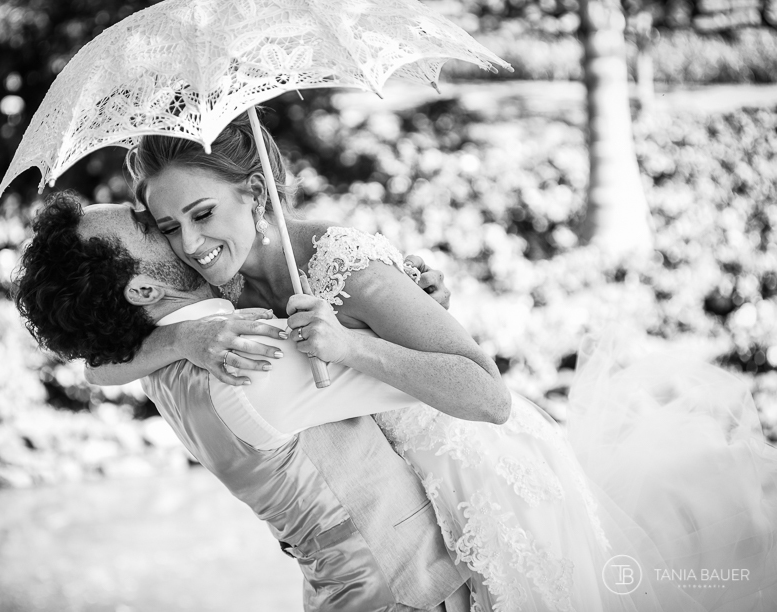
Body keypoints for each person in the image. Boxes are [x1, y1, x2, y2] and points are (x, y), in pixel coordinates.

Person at [81, 115, 777, 611]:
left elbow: (487, 395)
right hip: (409, 518)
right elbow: (95, 364)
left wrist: (355, 345)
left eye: (202, 214)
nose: (191, 244)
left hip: (485, 482)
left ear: (254, 194)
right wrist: (180, 342)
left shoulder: (343, 263)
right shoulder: (217, 286)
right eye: (169, 227)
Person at [16, 193, 479, 612]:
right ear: (142, 291)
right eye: (148, 226)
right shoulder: (249, 357)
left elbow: (97, 368)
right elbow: (444, 381)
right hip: (405, 590)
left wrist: (178, 336)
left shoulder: (158, 364)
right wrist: (411, 311)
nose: (167, 224)